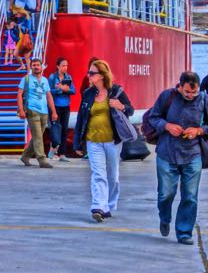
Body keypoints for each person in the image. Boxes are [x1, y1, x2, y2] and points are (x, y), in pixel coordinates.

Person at [148, 71, 208, 245]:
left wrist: (199, 131)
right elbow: (153, 117)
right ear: (180, 86)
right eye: (187, 92)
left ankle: (184, 232)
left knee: (190, 196)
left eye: (194, 92)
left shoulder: (203, 100)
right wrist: (166, 126)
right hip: (168, 153)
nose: (190, 96)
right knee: (166, 194)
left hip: (192, 154)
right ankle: (165, 217)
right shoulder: (167, 96)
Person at [73, 60, 134, 222]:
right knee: (98, 174)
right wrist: (77, 142)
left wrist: (121, 106)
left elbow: (131, 110)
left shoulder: (116, 91)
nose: (89, 75)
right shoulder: (88, 93)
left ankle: (109, 204)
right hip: (93, 141)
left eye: (92, 73)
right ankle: (98, 206)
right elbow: (81, 118)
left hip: (113, 141)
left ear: (101, 76)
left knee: (113, 176)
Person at [17, 58, 59, 168]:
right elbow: (19, 95)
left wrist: (54, 112)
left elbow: (49, 96)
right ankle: (42, 159)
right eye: (34, 65)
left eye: (38, 65)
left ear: (41, 67)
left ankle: (25, 156)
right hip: (32, 110)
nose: (36, 67)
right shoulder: (26, 79)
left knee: (37, 136)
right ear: (31, 67)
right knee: (38, 136)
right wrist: (21, 109)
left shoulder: (45, 80)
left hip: (44, 112)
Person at [48, 57, 74, 162]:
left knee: (64, 129)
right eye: (63, 65)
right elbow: (49, 91)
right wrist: (60, 90)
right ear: (58, 66)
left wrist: (65, 89)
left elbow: (73, 91)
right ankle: (53, 146)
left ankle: (62, 154)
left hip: (66, 107)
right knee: (56, 128)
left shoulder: (68, 77)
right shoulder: (52, 77)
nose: (65, 67)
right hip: (55, 106)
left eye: (67, 65)